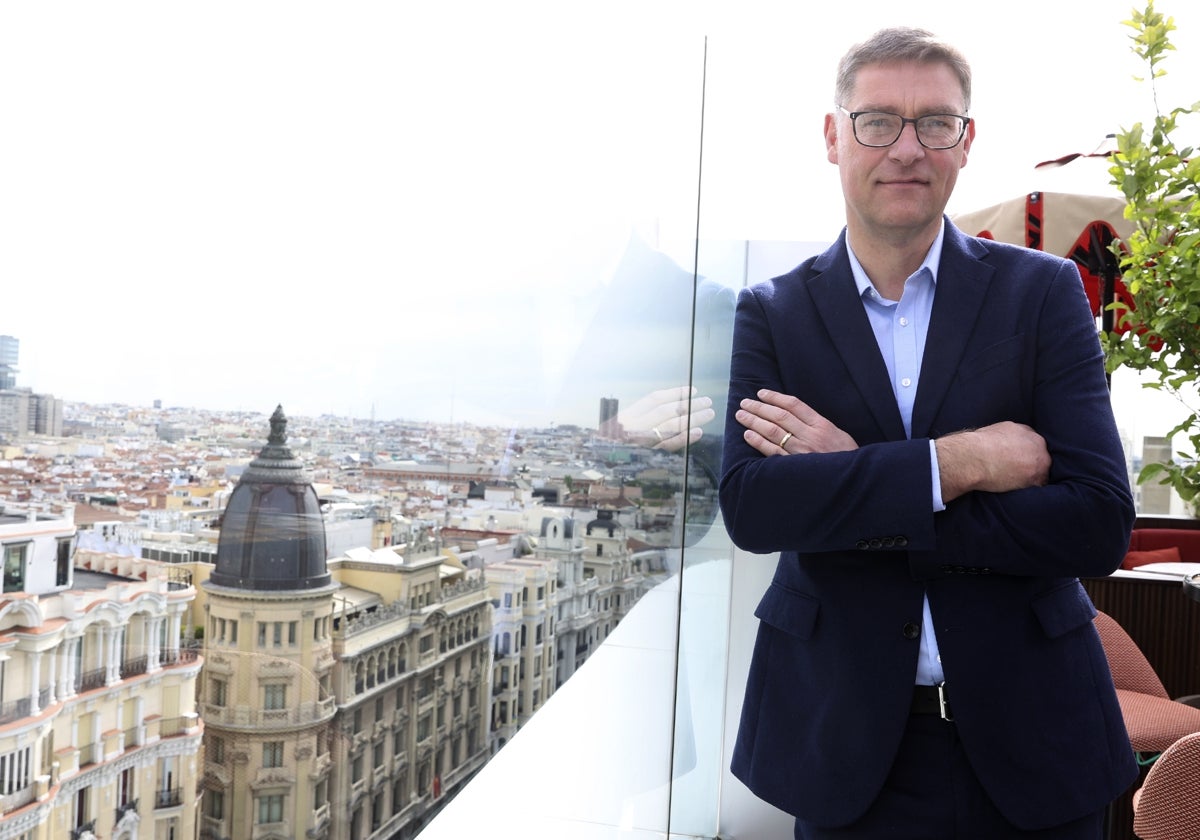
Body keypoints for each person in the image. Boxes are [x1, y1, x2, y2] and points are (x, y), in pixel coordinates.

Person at [718, 27, 1137, 840]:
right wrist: (959, 463)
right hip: (846, 745)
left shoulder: (1043, 294)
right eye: (877, 120)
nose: (906, 147)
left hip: (1037, 740)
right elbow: (757, 510)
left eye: (935, 123)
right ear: (833, 137)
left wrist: (856, 488)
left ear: (966, 141)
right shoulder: (774, 313)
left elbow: (1097, 524)